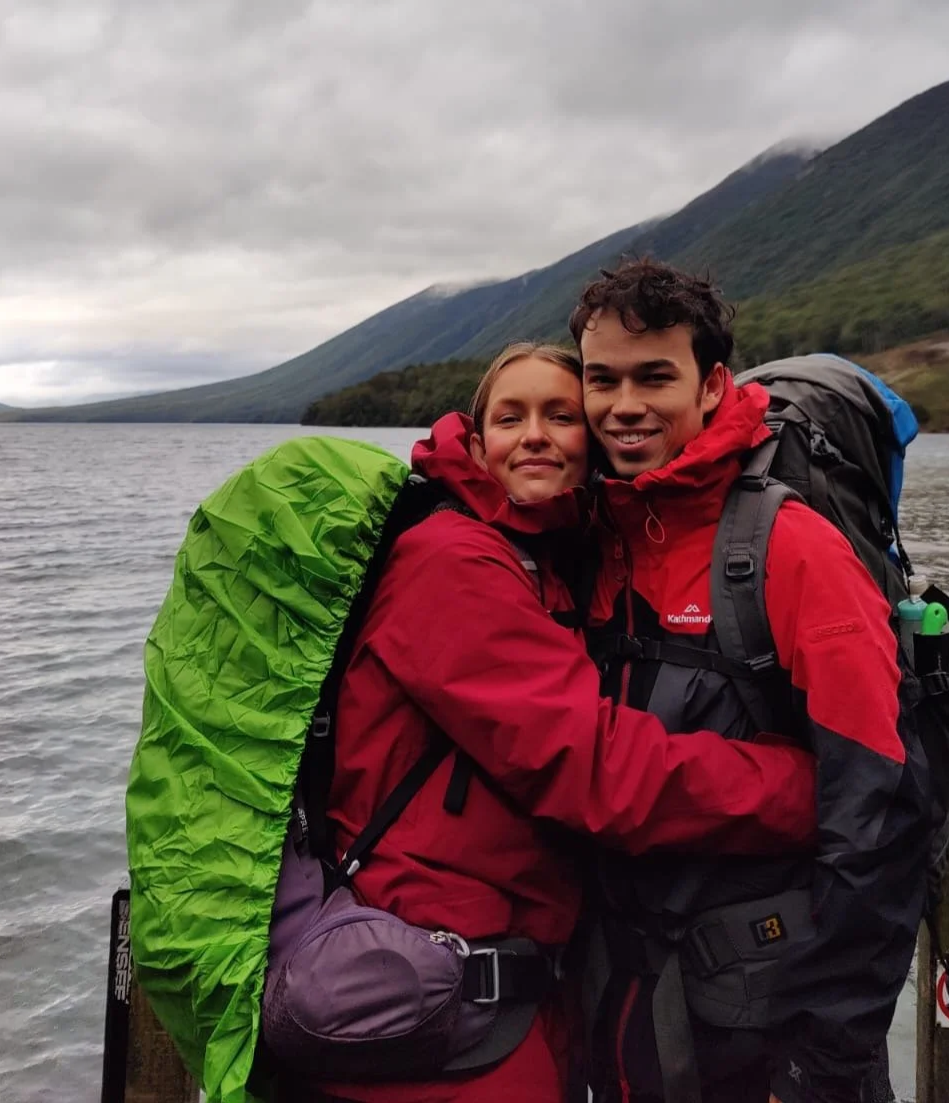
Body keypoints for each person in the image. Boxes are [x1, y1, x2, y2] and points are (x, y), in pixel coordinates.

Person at [313, 342, 820, 1103]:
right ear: (476, 445)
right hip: (436, 1009)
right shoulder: (451, 562)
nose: (537, 434)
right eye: (510, 416)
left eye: (560, 414)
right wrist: (803, 786)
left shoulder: (546, 561)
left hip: (505, 996)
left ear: (593, 443)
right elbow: (594, 764)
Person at [569, 261, 932, 1103]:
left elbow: (877, 820)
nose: (625, 405)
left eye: (655, 376)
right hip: (626, 1002)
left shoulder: (791, 548)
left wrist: (823, 1062)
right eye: (603, 379)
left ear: (711, 386)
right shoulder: (594, 538)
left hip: (765, 1027)